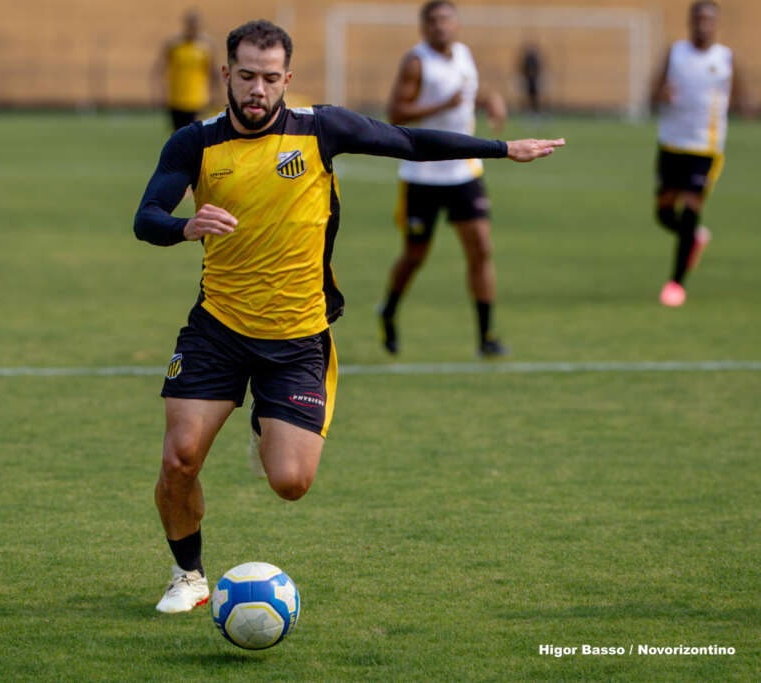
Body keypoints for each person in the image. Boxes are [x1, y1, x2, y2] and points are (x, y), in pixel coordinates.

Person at [133, 19, 563, 613]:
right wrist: (185, 226)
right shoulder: (194, 142)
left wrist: (501, 148)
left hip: (299, 335)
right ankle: (189, 576)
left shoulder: (321, 129)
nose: (257, 90)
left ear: (287, 78)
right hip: (218, 328)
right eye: (247, 77)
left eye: (270, 78)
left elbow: (407, 140)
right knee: (179, 459)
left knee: (291, 483)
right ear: (226, 75)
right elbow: (146, 216)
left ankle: (266, 425)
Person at [376, 0, 510, 357]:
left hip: (464, 171)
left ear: (457, 25)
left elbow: (466, 95)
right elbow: (394, 113)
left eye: (446, 20)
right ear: (424, 27)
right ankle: (388, 310)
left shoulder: (464, 55)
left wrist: (491, 99)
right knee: (416, 255)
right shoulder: (416, 62)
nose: (441, 27)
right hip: (423, 173)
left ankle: (486, 337)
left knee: (481, 247)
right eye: (433, 21)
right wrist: (441, 106)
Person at [651, 0, 748, 307]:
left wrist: (739, 108)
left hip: (705, 148)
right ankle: (694, 236)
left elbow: (744, 99)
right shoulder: (675, 53)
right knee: (664, 212)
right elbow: (652, 94)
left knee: (692, 206)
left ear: (716, 24)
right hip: (671, 143)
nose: (704, 25)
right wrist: (660, 95)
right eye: (699, 19)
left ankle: (676, 284)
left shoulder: (727, 59)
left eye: (710, 20)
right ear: (691, 21)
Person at [156, 10, 215, 132]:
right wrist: (161, 92)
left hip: (197, 100)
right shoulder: (174, 46)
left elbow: (212, 72)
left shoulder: (205, 48)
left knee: (196, 136)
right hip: (176, 99)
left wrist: (216, 95)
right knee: (177, 135)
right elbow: (161, 68)